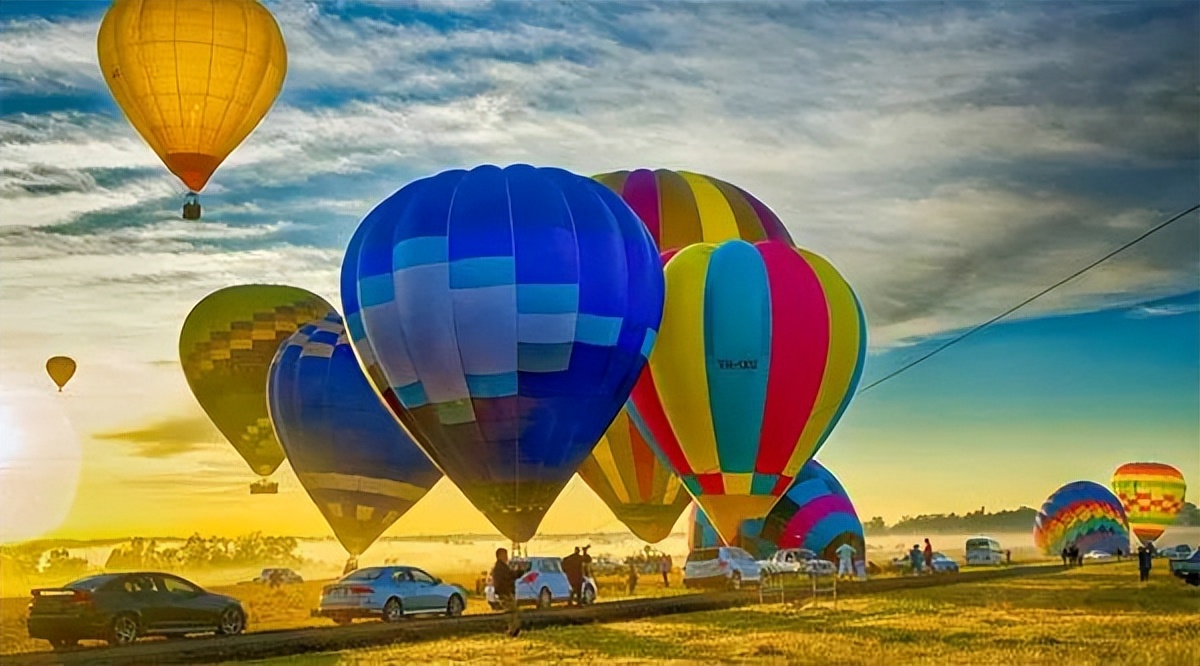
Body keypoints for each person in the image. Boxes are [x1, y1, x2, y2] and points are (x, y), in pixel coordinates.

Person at [491, 548, 520, 636]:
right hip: (505, 592)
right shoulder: (500, 568)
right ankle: (512, 630)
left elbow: (510, 576)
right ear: (500, 556)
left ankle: (513, 629)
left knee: (513, 611)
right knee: (511, 611)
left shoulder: (502, 567)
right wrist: (518, 572)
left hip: (506, 592)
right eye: (505, 555)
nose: (507, 557)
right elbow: (508, 577)